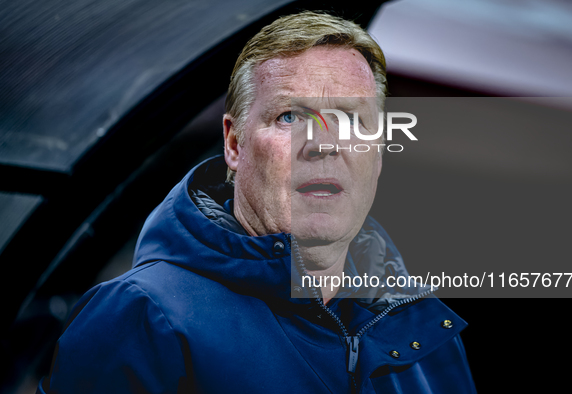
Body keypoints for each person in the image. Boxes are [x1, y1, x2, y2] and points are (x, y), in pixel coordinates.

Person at [38, 11, 476, 394]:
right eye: (290, 117)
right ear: (233, 143)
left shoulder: (424, 330)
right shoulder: (140, 318)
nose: (323, 145)